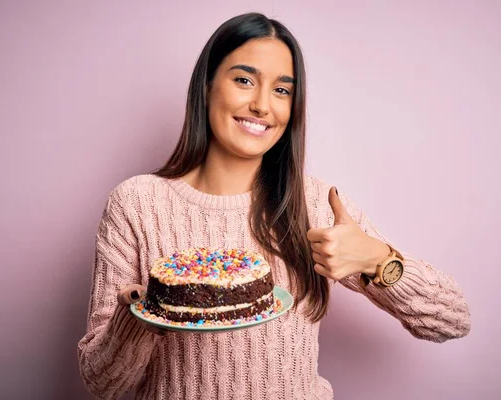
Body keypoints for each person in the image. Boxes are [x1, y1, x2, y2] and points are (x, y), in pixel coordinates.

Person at [77, 12, 471, 400]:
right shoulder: (137, 204)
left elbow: (452, 320)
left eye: (282, 90)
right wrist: (142, 316)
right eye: (244, 80)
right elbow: (101, 383)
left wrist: (376, 260)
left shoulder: (314, 205)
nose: (262, 105)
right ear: (206, 86)